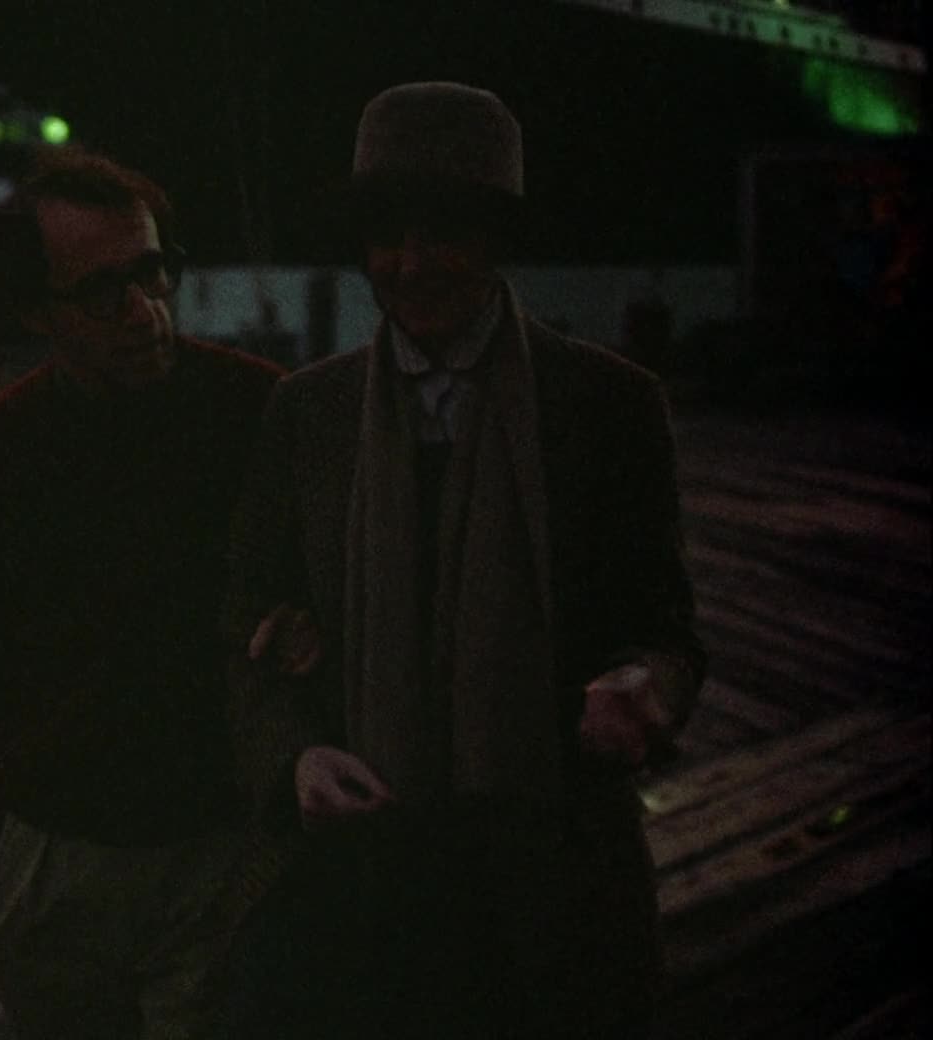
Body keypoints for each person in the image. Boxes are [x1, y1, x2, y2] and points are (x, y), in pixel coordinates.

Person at [223, 82, 705, 1039]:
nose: (409, 264)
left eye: (443, 233)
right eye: (386, 237)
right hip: (366, 893)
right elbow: (245, 621)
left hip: (553, 888)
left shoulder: (609, 406)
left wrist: (645, 687)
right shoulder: (308, 413)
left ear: (496, 238)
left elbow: (668, 630)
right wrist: (293, 759)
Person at [0, 147, 286, 1040]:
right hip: (54, 861)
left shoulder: (260, 412)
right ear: (36, 312)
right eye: (101, 292)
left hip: (221, 851)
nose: (144, 309)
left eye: (152, 271)